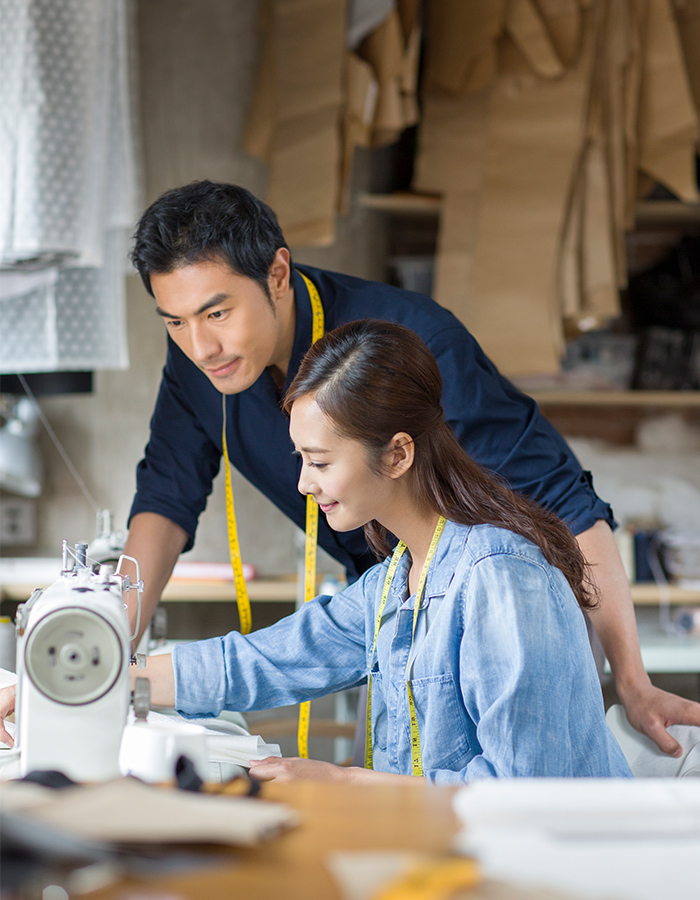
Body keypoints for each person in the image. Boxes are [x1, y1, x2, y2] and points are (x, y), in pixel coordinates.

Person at [123, 180, 699, 756]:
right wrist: (106, 657)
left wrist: (631, 681)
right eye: (174, 322)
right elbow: (167, 498)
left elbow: (563, 504)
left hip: (498, 613)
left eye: (217, 313)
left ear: (278, 274)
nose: (200, 347)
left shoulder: (412, 346)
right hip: (396, 597)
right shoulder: (385, 589)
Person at [122, 320, 632, 782]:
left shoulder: (501, 576)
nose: (303, 484)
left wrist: (345, 784)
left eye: (320, 463)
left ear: (397, 454)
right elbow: (267, 661)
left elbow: (521, 789)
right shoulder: (395, 580)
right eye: (301, 459)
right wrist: (119, 676)